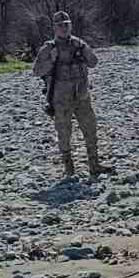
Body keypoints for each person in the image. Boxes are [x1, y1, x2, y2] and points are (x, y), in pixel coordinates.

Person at [32, 12, 102, 179]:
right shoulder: (49, 48)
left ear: (70, 25)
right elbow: (36, 71)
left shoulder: (79, 44)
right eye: (60, 25)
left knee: (91, 130)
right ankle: (69, 168)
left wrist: (85, 50)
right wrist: (51, 60)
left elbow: (94, 62)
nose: (64, 28)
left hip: (82, 96)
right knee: (64, 133)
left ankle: (95, 165)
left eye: (66, 24)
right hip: (61, 99)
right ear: (54, 28)